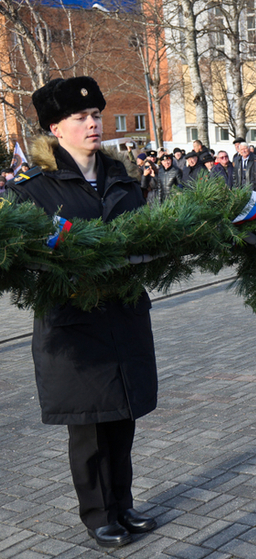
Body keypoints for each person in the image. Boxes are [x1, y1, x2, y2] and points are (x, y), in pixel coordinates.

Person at [8, 76, 158, 549]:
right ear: (55, 128)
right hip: (74, 325)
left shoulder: (120, 178)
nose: (94, 124)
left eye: (96, 115)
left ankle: (123, 503)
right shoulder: (36, 188)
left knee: (123, 418)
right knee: (90, 426)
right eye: (81, 118)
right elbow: (24, 256)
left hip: (124, 316)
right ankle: (98, 514)